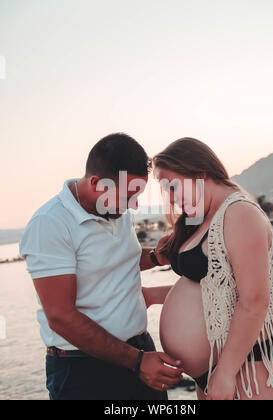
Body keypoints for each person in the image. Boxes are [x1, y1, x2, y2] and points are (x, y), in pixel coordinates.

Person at [20, 133, 183, 400]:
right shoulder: (49, 224)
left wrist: (155, 257)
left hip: (140, 351)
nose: (135, 205)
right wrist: (137, 361)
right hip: (83, 371)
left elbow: (115, 262)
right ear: (96, 183)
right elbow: (61, 316)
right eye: (129, 195)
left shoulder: (115, 209)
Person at [152, 137, 273, 400]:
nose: (172, 200)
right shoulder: (203, 219)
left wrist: (226, 372)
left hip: (250, 366)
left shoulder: (240, 213)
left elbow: (254, 300)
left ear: (199, 172)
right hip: (214, 369)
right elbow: (212, 292)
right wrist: (150, 296)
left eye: (173, 187)